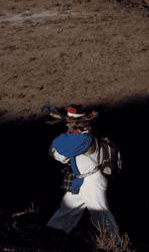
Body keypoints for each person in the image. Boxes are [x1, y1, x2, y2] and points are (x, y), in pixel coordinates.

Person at [44, 104, 121, 243]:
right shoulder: (80, 137)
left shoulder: (84, 139)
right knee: (68, 206)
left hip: (92, 181)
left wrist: (62, 138)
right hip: (83, 181)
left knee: (100, 213)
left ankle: (115, 243)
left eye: (70, 122)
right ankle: (54, 233)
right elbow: (61, 154)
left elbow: (57, 152)